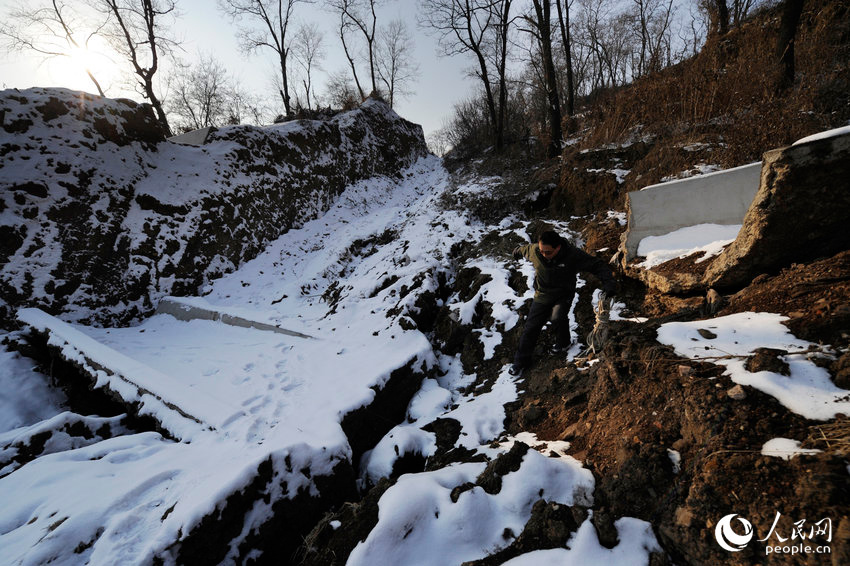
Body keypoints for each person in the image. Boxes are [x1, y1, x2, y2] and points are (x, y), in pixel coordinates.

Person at [510, 229, 617, 375]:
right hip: (542, 294)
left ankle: (564, 343)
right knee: (531, 327)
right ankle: (520, 363)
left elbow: (597, 265)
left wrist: (609, 283)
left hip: (563, 294)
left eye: (548, 252)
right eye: (541, 251)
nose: (544, 255)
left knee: (558, 317)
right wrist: (517, 251)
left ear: (558, 247)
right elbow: (525, 249)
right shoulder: (536, 251)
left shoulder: (572, 255)